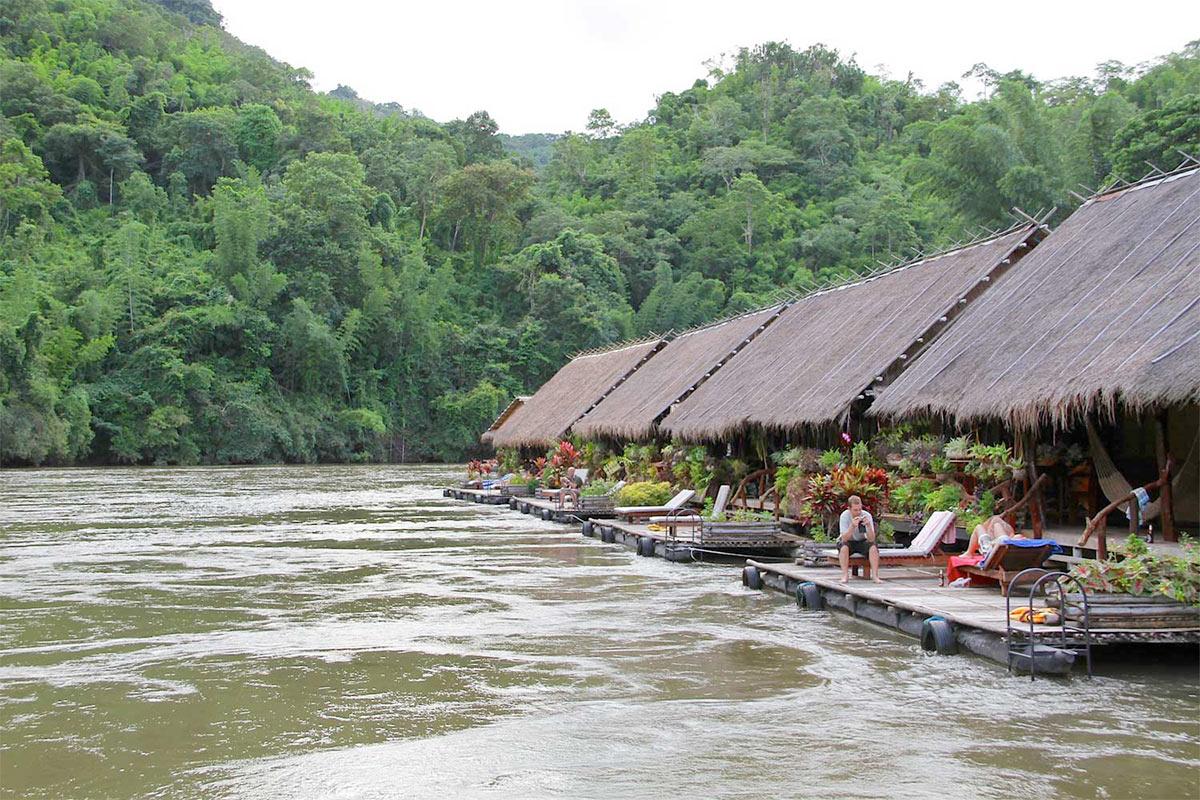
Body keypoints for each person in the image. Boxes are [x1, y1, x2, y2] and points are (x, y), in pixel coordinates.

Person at [838, 495, 881, 584]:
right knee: (844, 547)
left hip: (862, 541)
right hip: (848, 541)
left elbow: (871, 539)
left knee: (873, 547)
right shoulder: (844, 516)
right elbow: (844, 538)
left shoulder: (866, 515)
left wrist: (868, 526)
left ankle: (875, 576)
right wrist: (852, 526)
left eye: (859, 509)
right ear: (849, 509)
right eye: (855, 510)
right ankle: (845, 575)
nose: (858, 512)